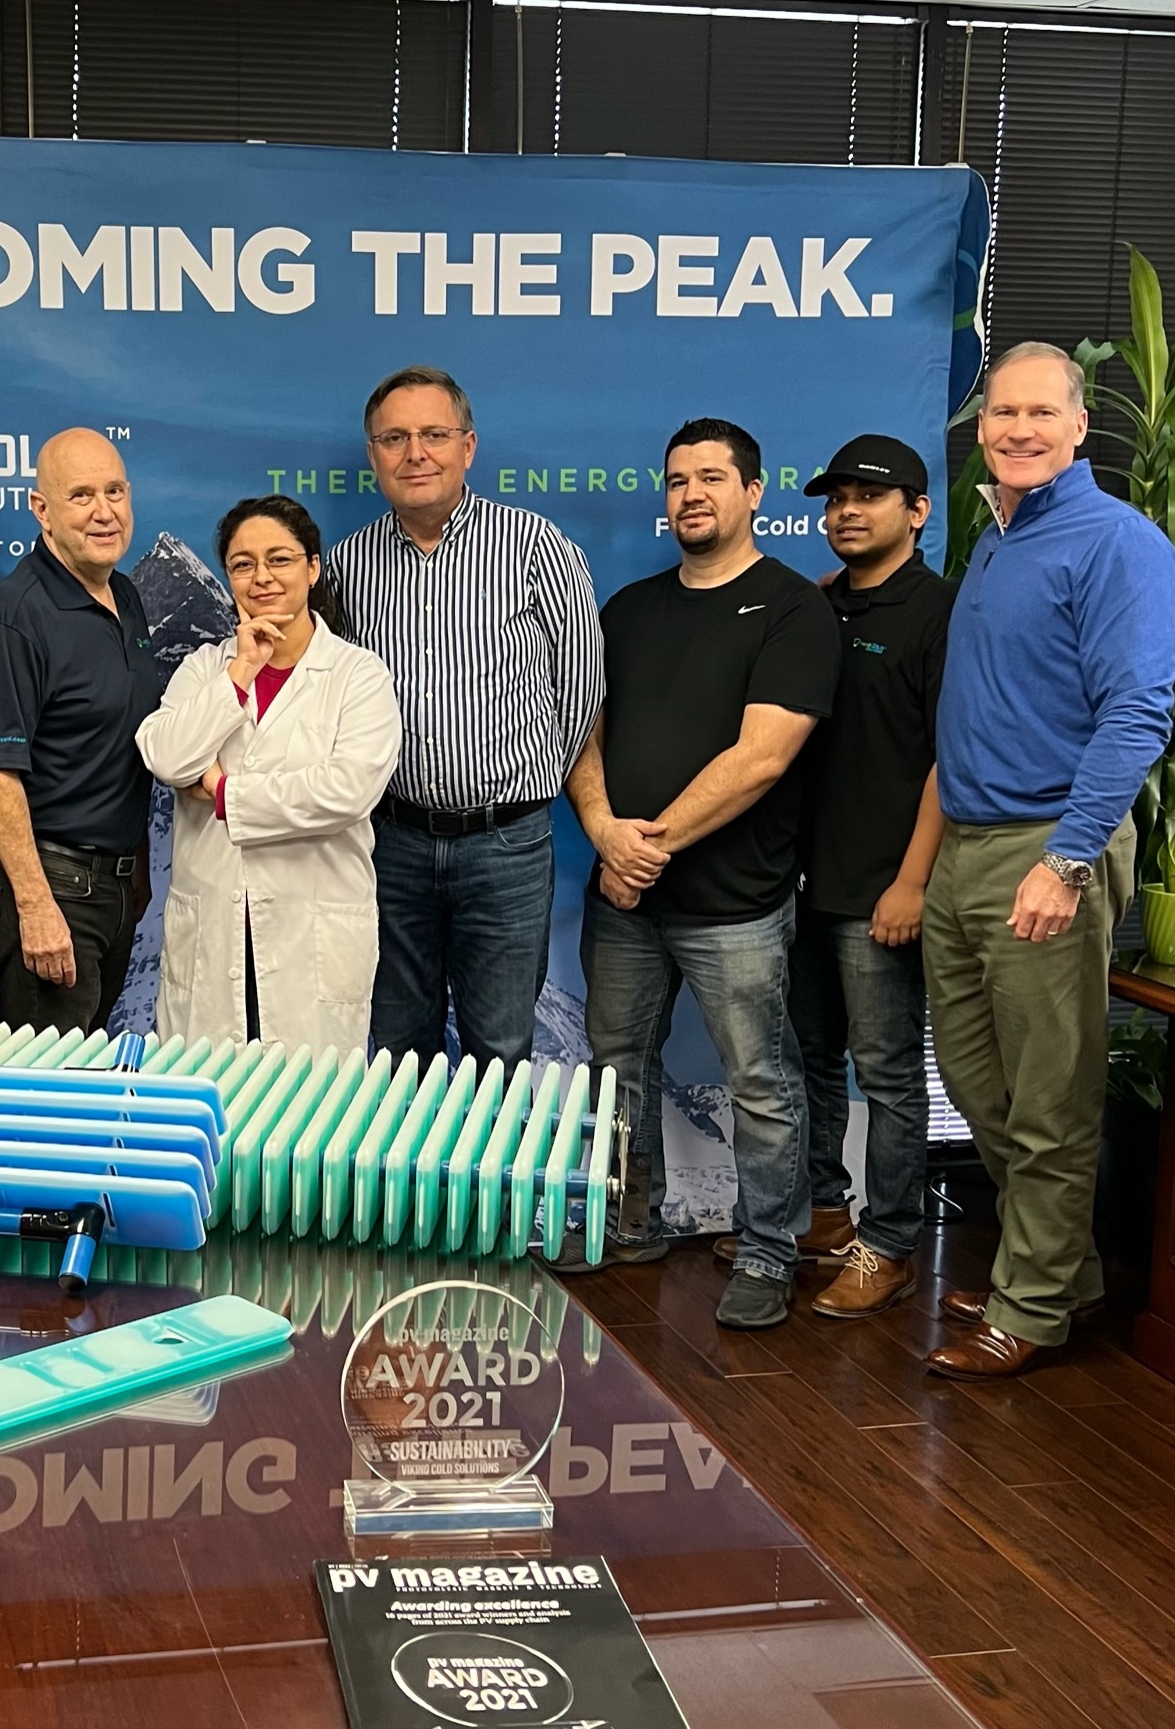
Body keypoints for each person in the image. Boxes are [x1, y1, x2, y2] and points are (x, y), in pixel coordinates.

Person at [923, 343, 1175, 1380]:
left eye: (1040, 412)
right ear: (981, 426)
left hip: (1046, 846)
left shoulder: (1117, 543)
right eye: (1002, 412)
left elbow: (1136, 713)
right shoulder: (1001, 537)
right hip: (966, 846)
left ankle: (1030, 1308)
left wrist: (1067, 860)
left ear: (1079, 426)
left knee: (1048, 1097)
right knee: (976, 1082)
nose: (1018, 429)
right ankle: (1062, 1270)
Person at [568, 417, 840, 1329]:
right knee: (616, 1072)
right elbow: (581, 731)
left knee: (760, 1084)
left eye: (712, 478)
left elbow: (762, 758)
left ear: (752, 493)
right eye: (678, 479)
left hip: (736, 906)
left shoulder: (794, 610)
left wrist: (645, 847)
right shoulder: (627, 610)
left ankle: (767, 1251)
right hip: (623, 901)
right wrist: (603, 832)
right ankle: (629, 1222)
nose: (691, 494)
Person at [716, 435, 951, 1319]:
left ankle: (888, 1243)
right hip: (794, 884)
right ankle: (821, 1212)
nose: (847, 512)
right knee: (806, 1059)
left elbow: (950, 760)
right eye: (836, 499)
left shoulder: (939, 611)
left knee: (885, 1074)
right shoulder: (811, 607)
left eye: (869, 497)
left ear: (916, 512)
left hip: (878, 889)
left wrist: (912, 882)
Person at [322, 365, 602, 1068]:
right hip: (389, 845)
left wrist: (521, 783)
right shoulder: (345, 566)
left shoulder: (536, 548)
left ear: (468, 447)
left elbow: (581, 689)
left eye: (434, 434)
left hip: (505, 846)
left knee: (500, 1049)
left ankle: (492, 1150)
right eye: (394, 438)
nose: (415, 453)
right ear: (373, 456)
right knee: (395, 1049)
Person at [136, 496, 400, 1049]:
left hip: (312, 938)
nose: (262, 577)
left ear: (313, 567)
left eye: (280, 559)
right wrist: (242, 670)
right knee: (207, 1089)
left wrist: (221, 789)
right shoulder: (205, 668)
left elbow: (345, 791)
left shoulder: (358, 675)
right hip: (214, 931)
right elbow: (164, 755)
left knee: (311, 1099)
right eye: (243, 564)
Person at [0, 430, 165, 1033]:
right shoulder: (14, 613)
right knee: (48, 1083)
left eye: (115, 492)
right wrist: (35, 906)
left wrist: (137, 863)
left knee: (89, 1073)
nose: (104, 512)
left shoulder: (124, 595)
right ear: (42, 510)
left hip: (113, 887)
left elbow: (121, 745)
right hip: (50, 889)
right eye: (81, 496)